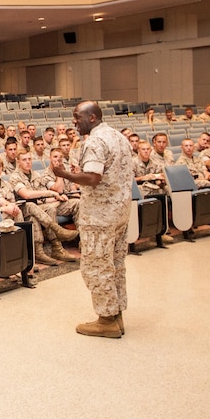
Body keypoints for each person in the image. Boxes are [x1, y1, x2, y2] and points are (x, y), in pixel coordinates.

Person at [51, 101, 133, 338]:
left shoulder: (95, 141)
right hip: (119, 213)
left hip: (100, 216)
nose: (74, 122)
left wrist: (64, 173)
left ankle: (106, 320)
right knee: (116, 264)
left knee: (97, 265)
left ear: (93, 117)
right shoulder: (118, 137)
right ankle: (116, 315)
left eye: (77, 117)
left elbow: (93, 178)